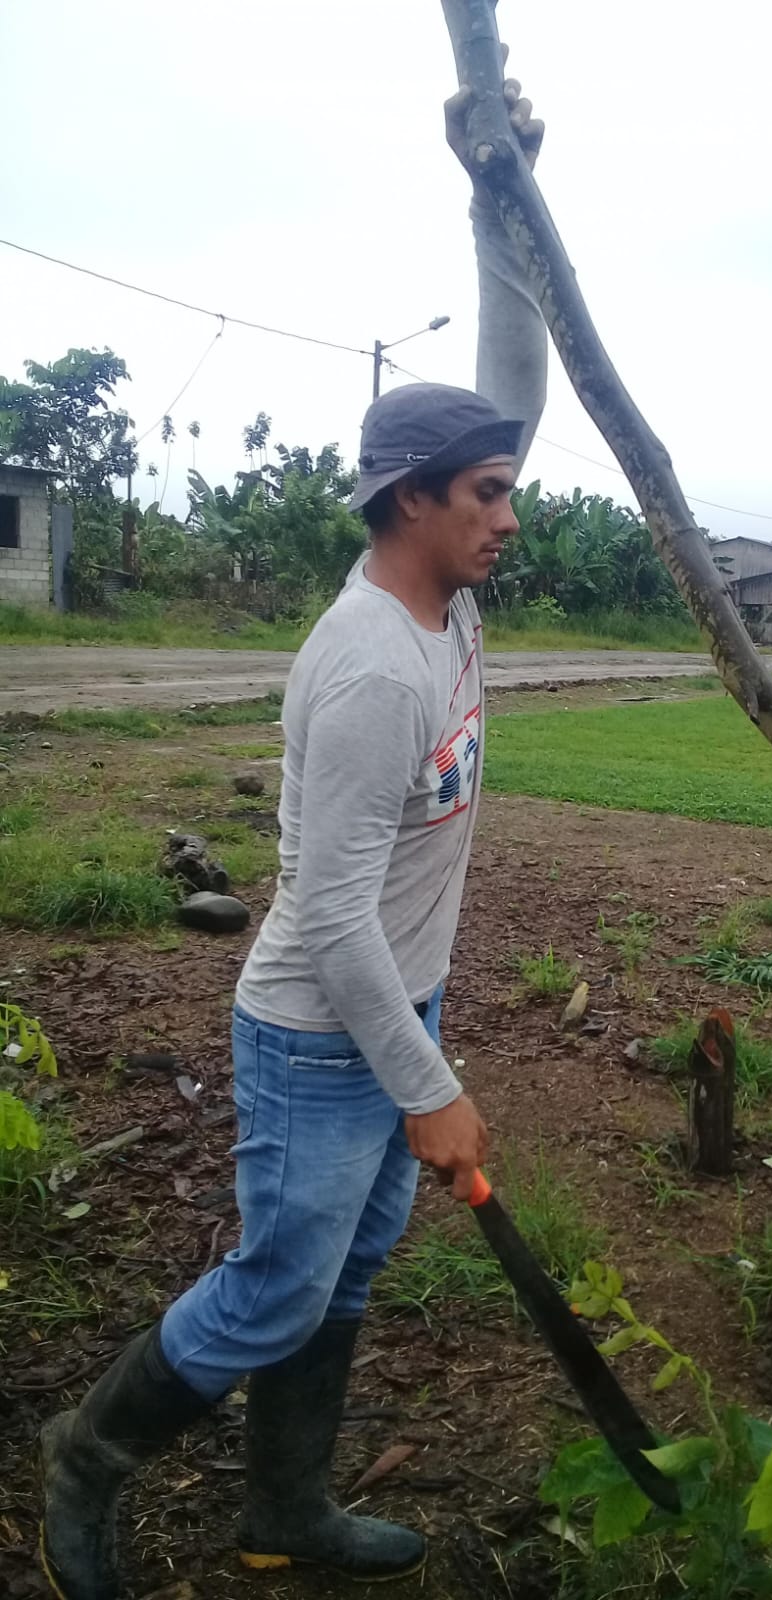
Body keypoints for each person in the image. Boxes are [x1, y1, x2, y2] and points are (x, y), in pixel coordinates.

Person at [39, 65, 548, 1600]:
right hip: (325, 1033)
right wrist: (429, 1087)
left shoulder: (448, 591)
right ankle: (84, 1461)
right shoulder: (372, 668)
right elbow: (323, 913)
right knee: (273, 1290)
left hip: (398, 1006)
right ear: (410, 502)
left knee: (344, 1275)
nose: (509, 515)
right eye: (486, 494)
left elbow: (514, 382)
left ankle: (286, 1513)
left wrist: (500, 192)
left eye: (507, 489)